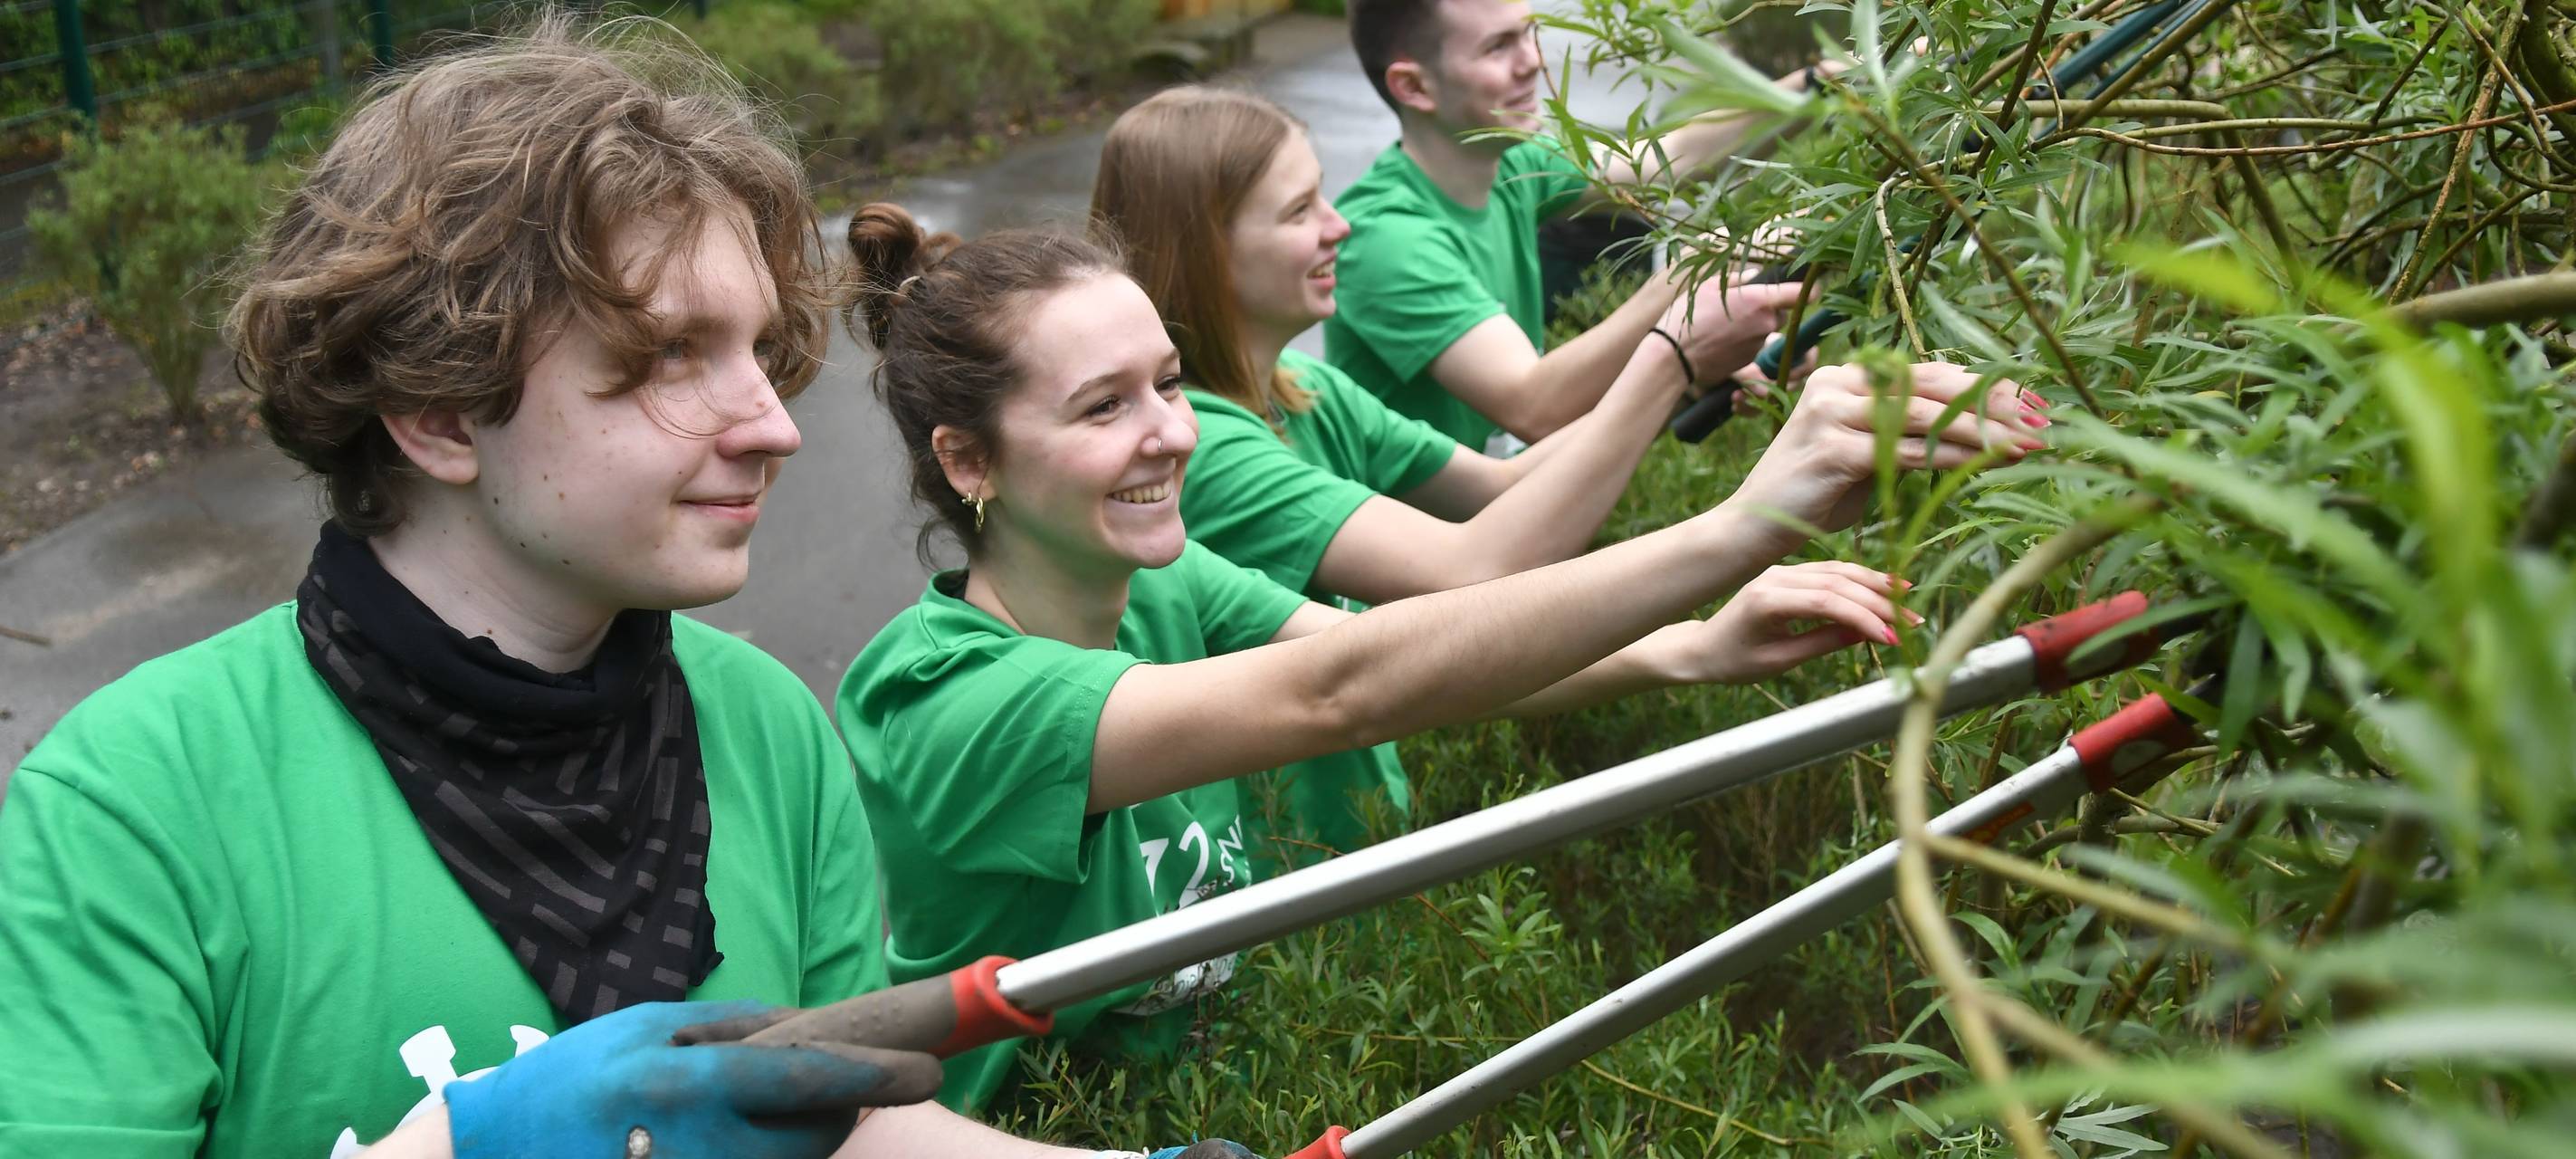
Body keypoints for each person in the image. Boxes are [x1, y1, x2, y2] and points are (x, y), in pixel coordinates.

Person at [0, 20, 1226, 1159]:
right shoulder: (134, 806)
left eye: (755, 348)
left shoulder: (768, 731)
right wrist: (458, 1145)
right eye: (668, 358)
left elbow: (849, 1129)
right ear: (436, 409)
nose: (772, 425)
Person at [837, 204, 2039, 1110]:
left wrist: (1682, 650)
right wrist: (1740, 525)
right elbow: (1344, 693)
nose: (1171, 431)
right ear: (969, 462)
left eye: (1165, 382)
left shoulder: (1163, 581)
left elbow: (1398, 653)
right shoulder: (940, 698)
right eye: (1101, 407)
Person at [1087, 86, 2053, 850]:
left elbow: (1506, 496)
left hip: (1346, 832)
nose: (1337, 227)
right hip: (1262, 857)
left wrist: (1698, 383)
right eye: (1299, 211)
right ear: (1206, 250)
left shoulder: (1298, 388)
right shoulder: (1199, 446)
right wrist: (1666, 352)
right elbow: (1472, 574)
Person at [1327, 0, 1838, 454]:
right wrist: (1684, 283)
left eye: (1528, 33)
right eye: (1498, 47)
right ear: (1413, 86)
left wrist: (1817, 88)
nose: (1534, 61)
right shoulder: (1387, 239)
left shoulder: (1512, 162)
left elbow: (1665, 165)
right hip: (1411, 542)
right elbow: (1533, 405)